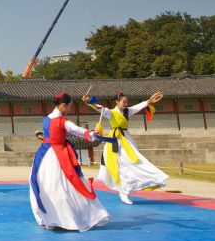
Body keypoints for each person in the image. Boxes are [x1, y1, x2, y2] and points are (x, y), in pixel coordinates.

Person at [29, 92, 109, 232]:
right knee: (65, 188)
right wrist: (93, 133)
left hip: (44, 155)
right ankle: (68, 218)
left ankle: (50, 219)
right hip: (59, 155)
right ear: (64, 106)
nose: (71, 108)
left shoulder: (46, 119)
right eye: (70, 106)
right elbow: (78, 131)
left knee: (46, 187)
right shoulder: (63, 122)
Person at [84, 90, 168, 204]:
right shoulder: (111, 112)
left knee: (134, 163)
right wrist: (89, 101)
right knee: (120, 166)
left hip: (126, 139)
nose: (126, 104)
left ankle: (136, 185)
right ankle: (123, 192)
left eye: (127, 102)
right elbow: (100, 108)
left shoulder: (127, 111)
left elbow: (138, 107)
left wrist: (148, 101)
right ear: (117, 102)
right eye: (124, 102)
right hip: (115, 141)